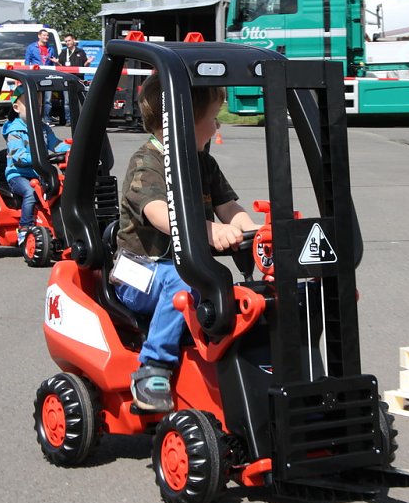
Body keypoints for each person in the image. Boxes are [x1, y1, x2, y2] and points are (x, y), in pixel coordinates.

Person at [113, 74, 259, 412]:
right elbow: (156, 212)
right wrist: (206, 231)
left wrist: (253, 230)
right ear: (181, 122)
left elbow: (229, 207)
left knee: (226, 286)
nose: (218, 125)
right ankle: (153, 367)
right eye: (212, 117)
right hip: (137, 270)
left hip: (181, 264)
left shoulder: (204, 163)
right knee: (187, 279)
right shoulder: (146, 164)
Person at [3, 86, 69, 243]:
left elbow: (56, 145)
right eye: (30, 104)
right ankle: (24, 229)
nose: (35, 108)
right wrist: (39, 158)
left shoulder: (43, 128)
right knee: (30, 193)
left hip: (39, 173)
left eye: (38, 105)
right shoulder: (15, 131)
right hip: (18, 175)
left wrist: (72, 149)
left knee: (61, 190)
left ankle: (59, 227)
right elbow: (18, 156)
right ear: (16, 107)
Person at [24, 29, 58, 122]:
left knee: (47, 100)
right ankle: (35, 118)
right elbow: (27, 62)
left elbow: (52, 63)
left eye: (47, 36)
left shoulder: (51, 48)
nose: (46, 37)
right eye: (44, 35)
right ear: (39, 36)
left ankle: (46, 119)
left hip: (47, 76)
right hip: (36, 76)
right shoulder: (31, 47)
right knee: (36, 99)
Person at [56, 33, 90, 125]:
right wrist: (56, 63)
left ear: (73, 40)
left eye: (69, 40)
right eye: (66, 41)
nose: (67, 43)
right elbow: (60, 66)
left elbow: (85, 65)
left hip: (79, 79)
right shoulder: (63, 53)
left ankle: (83, 119)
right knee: (67, 101)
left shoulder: (81, 52)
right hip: (67, 79)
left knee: (81, 100)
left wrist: (88, 62)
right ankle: (69, 120)